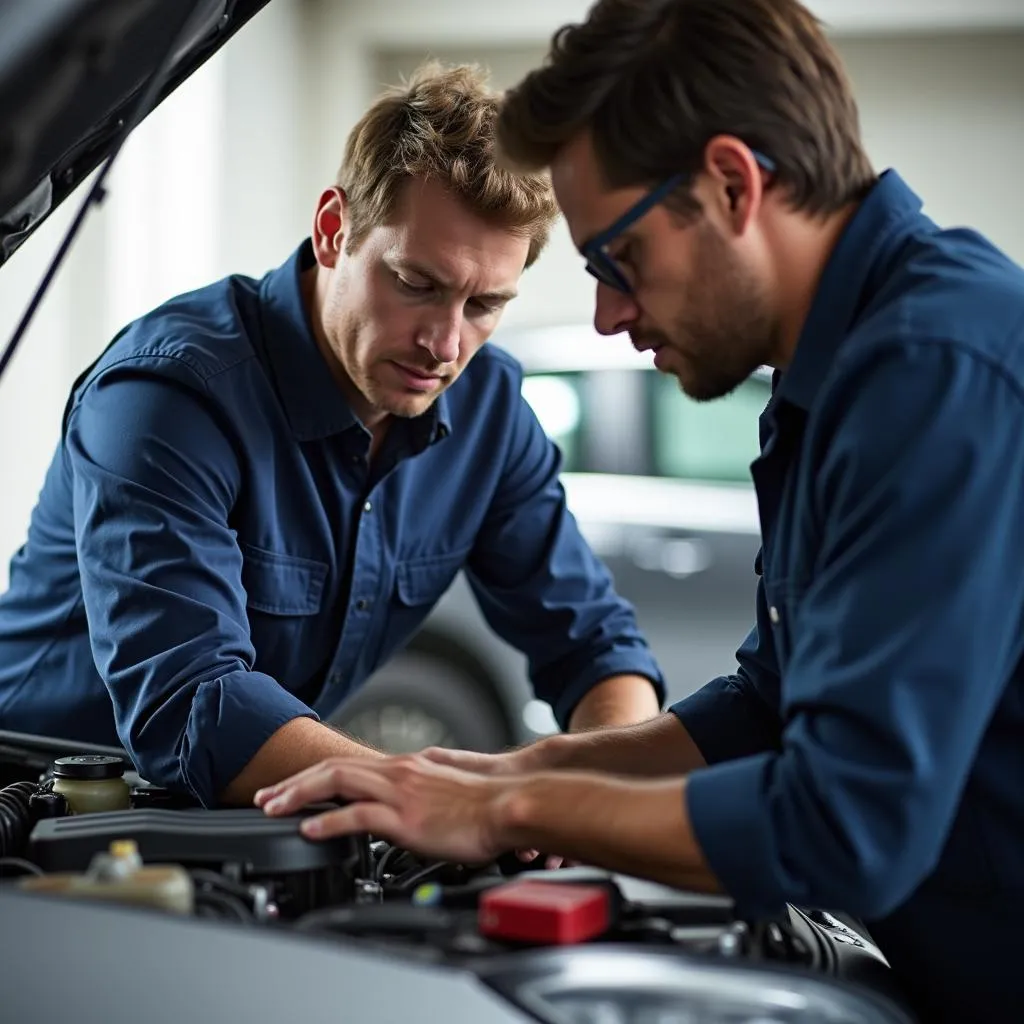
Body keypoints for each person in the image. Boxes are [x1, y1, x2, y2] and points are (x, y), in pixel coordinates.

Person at [255, 2, 1024, 1021]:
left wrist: (505, 806)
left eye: (617, 261)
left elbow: (847, 825)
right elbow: (766, 702)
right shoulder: (831, 376)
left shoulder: (931, 370)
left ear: (731, 185)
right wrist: (522, 765)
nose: (610, 314)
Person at [0, 62, 666, 807]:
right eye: (418, 284)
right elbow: (195, 706)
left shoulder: (489, 410)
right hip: (36, 823)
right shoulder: (169, 398)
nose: (446, 344)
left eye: (484, 304)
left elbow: (597, 648)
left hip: (241, 825)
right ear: (332, 230)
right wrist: (450, 801)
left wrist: (591, 797)